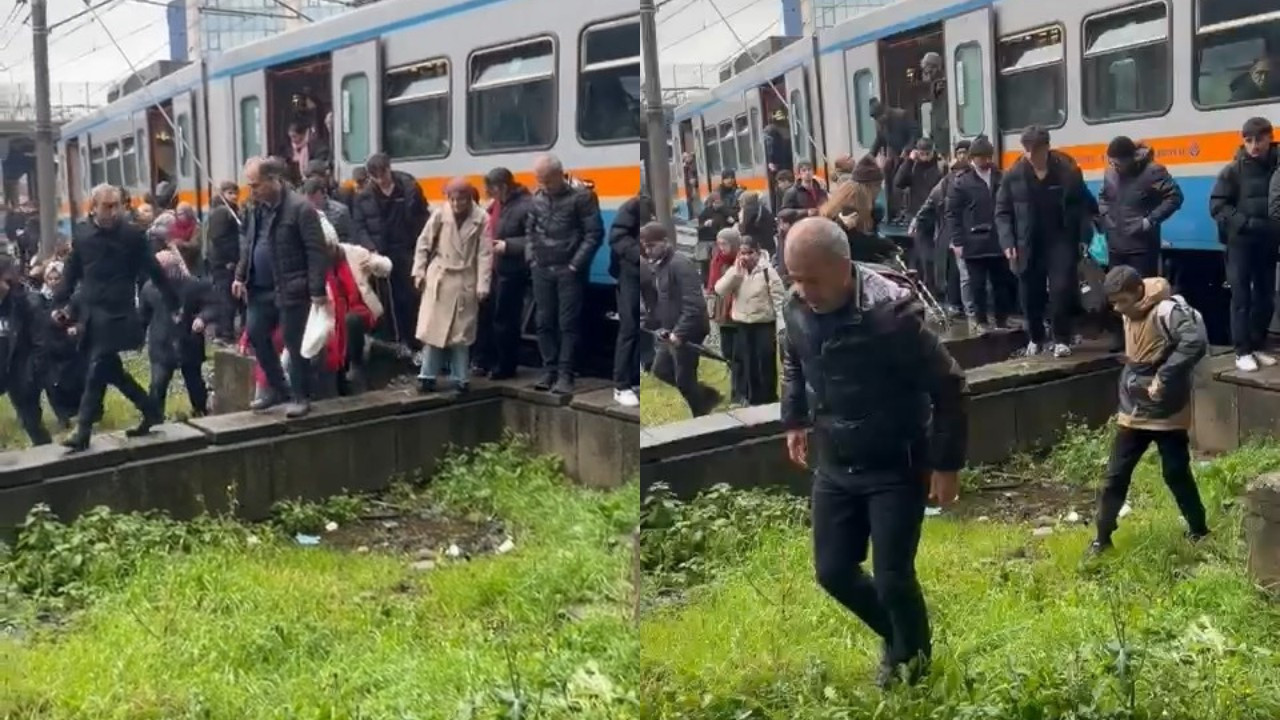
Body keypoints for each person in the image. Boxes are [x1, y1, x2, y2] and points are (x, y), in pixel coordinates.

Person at [780, 216, 966, 688]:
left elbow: (949, 384)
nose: (802, 291)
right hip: (835, 459)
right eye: (794, 278)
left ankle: (915, 666)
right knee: (833, 571)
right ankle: (901, 640)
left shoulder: (892, 317)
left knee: (892, 576)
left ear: (842, 267)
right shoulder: (796, 305)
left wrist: (946, 464)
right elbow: (794, 356)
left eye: (811, 280)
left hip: (895, 462)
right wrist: (794, 418)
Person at [1092, 265, 1209, 556]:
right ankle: (1101, 539)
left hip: (1167, 406)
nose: (1118, 308)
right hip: (1133, 405)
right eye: (1113, 303)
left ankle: (1199, 529)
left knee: (1175, 472)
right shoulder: (1128, 310)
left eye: (1123, 301)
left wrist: (1165, 376)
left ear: (1138, 292)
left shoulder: (1166, 311)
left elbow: (1194, 342)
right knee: (1115, 475)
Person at [54, 184, 179, 452]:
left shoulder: (132, 236)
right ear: (93, 208)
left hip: (119, 314)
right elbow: (71, 273)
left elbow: (154, 269)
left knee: (98, 367)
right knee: (110, 370)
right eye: (107, 206)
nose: (113, 212)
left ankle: (83, 430)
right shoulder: (83, 235)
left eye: (117, 206)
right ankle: (151, 409)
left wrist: (173, 302)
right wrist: (59, 303)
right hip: (91, 314)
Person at [231, 156, 331, 418]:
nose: (251, 191)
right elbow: (250, 244)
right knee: (255, 334)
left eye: (256, 185)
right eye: (249, 185)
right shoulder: (255, 209)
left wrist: (317, 289)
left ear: (273, 180)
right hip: (260, 288)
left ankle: (300, 396)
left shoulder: (300, 209)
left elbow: (316, 251)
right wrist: (240, 275)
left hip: (291, 285)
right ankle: (277, 388)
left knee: (293, 342)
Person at [996, 125, 1095, 358]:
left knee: (1062, 288)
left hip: (1061, 238)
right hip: (1027, 242)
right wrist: (1007, 241)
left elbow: (1082, 205)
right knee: (1030, 292)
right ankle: (1036, 337)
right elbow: (1002, 211)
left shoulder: (1067, 170)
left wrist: (1084, 236)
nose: (1031, 156)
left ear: (1047, 148)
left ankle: (1061, 338)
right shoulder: (1014, 174)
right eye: (1027, 150)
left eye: (1036, 150)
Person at [525, 154, 604, 394]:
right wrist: (532, 258)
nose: (544, 185)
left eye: (547, 180)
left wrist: (575, 265)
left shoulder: (582, 198)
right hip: (542, 267)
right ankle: (549, 369)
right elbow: (530, 230)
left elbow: (594, 234)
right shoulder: (537, 198)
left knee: (567, 322)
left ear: (560, 175)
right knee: (543, 321)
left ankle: (565, 372)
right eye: (540, 180)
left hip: (568, 269)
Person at [413, 178, 493, 393]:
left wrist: (483, 284)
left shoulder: (481, 218)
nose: (457, 204)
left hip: (464, 278)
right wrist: (419, 271)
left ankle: (460, 377)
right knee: (433, 330)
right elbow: (423, 243)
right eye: (453, 200)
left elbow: (485, 253)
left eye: (462, 200)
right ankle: (427, 375)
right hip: (441, 276)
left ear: (469, 199)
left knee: (461, 334)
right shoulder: (440, 214)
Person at [1218, 117, 1280, 372]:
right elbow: (1218, 205)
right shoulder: (1233, 171)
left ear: (1270, 139)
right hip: (1240, 243)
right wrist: (1244, 223)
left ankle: (1257, 345)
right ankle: (1242, 351)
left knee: (1265, 296)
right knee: (1241, 297)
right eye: (1249, 140)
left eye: (1259, 140)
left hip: (1268, 241)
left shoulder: (1276, 166)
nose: (1254, 146)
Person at [640, 222, 721, 417]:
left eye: (651, 246)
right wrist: (652, 322)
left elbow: (694, 304)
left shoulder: (680, 264)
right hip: (670, 329)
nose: (647, 251)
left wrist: (680, 333)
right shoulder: (660, 266)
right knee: (660, 369)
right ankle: (706, 397)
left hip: (690, 329)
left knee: (685, 380)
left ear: (665, 242)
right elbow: (663, 301)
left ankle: (701, 412)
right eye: (645, 247)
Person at [351, 153, 430, 348]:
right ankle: (398, 342)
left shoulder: (409, 188)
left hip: (408, 249)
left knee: (412, 296)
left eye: (383, 174)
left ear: (389, 169)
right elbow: (360, 227)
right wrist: (371, 249)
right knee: (390, 300)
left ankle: (416, 341)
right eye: (375, 177)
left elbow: (423, 216)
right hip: (383, 253)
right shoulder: (363, 197)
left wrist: (422, 242)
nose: (381, 180)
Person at [946, 136, 1015, 333]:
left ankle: (1002, 319)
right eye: (980, 157)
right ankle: (981, 320)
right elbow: (953, 213)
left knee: (1001, 283)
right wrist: (957, 241)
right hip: (973, 242)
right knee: (977, 285)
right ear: (972, 158)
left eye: (987, 157)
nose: (984, 161)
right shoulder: (962, 182)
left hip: (998, 240)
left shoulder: (1001, 178)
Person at [141, 250, 216, 418]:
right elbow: (143, 316)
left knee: (194, 382)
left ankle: (201, 410)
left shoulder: (193, 286)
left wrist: (203, 318)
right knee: (158, 384)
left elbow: (213, 305)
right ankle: (154, 417)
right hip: (161, 343)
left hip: (189, 341)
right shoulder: (149, 288)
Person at [714, 235, 785, 406]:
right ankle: (748, 396)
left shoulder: (768, 271)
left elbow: (779, 300)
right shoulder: (736, 271)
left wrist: (782, 327)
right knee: (745, 361)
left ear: (757, 253)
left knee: (764, 363)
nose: (746, 257)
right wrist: (735, 274)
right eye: (743, 253)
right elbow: (720, 289)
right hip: (742, 323)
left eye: (750, 253)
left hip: (763, 324)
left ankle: (767, 397)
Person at [1099, 136, 1183, 280]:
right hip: (1115, 246)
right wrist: (1106, 215)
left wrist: (1149, 221)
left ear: (1129, 159)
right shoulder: (1110, 174)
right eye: (1111, 162)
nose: (1114, 166)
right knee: (1117, 289)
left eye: (1117, 163)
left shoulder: (1152, 171)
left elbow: (1174, 197)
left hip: (1142, 247)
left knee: (1143, 289)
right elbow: (1103, 197)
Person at [479, 167, 534, 381]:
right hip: (494, 268)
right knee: (490, 317)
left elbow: (533, 239)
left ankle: (505, 365)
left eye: (492, 190)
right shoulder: (498, 204)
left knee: (505, 319)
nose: (490, 194)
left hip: (511, 270)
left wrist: (508, 246)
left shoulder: (525, 206)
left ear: (503, 187)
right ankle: (488, 360)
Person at [913, 140, 971, 317]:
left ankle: (964, 306)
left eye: (965, 152)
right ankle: (956, 304)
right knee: (954, 270)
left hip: (969, 231)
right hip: (951, 231)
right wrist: (917, 220)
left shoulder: (974, 178)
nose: (962, 156)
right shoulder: (946, 182)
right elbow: (931, 201)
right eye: (959, 152)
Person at [0, 253, 52, 446]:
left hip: (21, 371)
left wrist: (32, 375)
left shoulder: (27, 303)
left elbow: (41, 343)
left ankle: (46, 451)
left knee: (31, 422)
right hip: (4, 369)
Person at [609, 191, 651, 408]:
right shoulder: (632, 206)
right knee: (629, 326)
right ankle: (621, 385)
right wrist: (638, 256)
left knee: (642, 325)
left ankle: (636, 377)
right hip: (631, 272)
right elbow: (616, 237)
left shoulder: (642, 204)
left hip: (640, 271)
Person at [819, 158, 901, 264]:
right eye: (878, 185)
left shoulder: (846, 200)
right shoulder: (851, 208)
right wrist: (885, 245)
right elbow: (856, 243)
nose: (879, 189)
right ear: (869, 187)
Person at [338, 237, 392, 390]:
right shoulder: (319, 262)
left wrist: (374, 265)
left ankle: (357, 366)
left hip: (361, 308)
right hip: (335, 311)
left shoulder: (354, 253)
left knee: (351, 320)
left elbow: (386, 266)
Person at [707, 228, 745, 405]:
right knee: (727, 352)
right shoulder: (717, 260)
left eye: (725, 244)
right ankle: (735, 387)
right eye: (719, 243)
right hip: (723, 313)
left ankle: (739, 392)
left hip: (738, 312)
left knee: (739, 355)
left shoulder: (741, 261)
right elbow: (712, 285)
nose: (721, 247)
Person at [206, 181, 243, 343]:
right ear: (222, 194)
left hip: (223, 261)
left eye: (235, 193)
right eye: (230, 193)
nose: (234, 196)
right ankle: (225, 333)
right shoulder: (222, 213)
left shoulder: (230, 211)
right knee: (226, 298)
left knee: (228, 297)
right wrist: (230, 259)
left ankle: (224, 331)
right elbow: (220, 239)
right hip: (223, 262)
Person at [303, 177, 356, 246]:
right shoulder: (303, 212)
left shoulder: (340, 211)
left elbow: (351, 237)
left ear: (324, 193)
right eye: (308, 197)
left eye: (313, 197)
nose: (311, 201)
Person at [738, 191, 777, 256]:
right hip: (768, 242)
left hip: (756, 243)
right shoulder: (762, 208)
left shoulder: (747, 210)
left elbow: (743, 229)